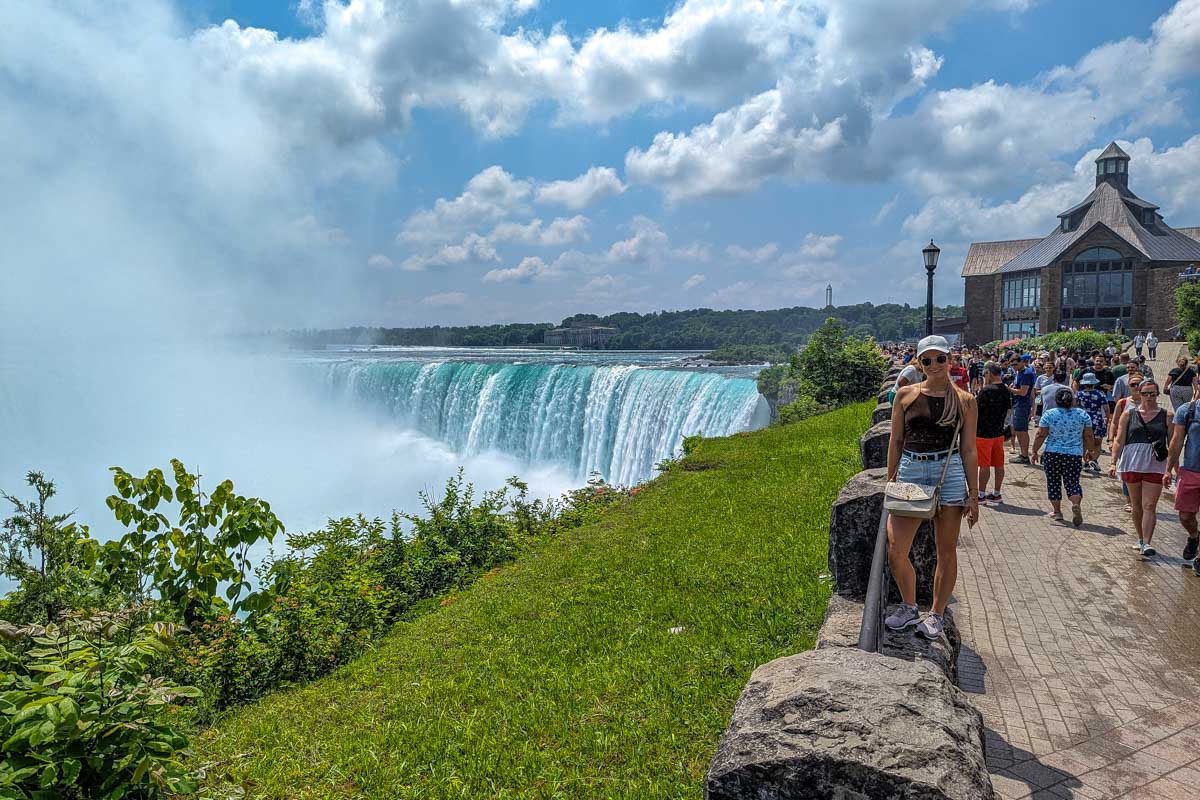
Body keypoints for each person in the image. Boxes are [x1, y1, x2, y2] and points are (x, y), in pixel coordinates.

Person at [884, 335, 979, 640]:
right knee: (896, 549)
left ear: (950, 360)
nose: (935, 365)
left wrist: (973, 494)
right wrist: (891, 478)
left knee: (946, 550)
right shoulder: (905, 396)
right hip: (912, 469)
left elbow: (968, 450)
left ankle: (936, 614)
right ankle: (910, 606)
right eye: (928, 360)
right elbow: (896, 440)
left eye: (941, 359)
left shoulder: (965, 400)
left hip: (948, 471)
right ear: (919, 363)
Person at [1111, 378, 1170, 557]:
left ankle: (1147, 542)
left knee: (1150, 505)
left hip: (1155, 464)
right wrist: (1113, 462)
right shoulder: (1129, 414)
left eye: (1152, 394)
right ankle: (1140, 538)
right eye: (1145, 393)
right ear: (1139, 394)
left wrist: (1172, 467)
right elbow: (1119, 439)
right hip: (1132, 462)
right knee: (1136, 506)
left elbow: (1174, 442)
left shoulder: (1167, 416)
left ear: (1157, 395)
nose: (1149, 397)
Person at [1031, 388, 1099, 526]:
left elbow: (1041, 434)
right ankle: (1075, 503)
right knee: (1072, 482)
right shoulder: (1083, 415)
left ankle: (1057, 512)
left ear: (1056, 400)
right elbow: (1088, 435)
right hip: (1073, 455)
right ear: (1072, 400)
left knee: (1054, 482)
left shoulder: (1049, 414)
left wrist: (1034, 451)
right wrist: (1090, 450)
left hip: (1052, 454)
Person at [1168, 394, 1200, 569]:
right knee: (1186, 517)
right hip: (1191, 471)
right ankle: (1194, 536)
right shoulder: (1188, 410)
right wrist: (1168, 468)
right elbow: (1177, 440)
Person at [976, 362, 1011, 505]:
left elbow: (975, 410)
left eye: (985, 374)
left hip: (983, 433)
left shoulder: (986, 391)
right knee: (999, 464)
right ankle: (997, 493)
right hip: (999, 432)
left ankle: (981, 495)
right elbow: (1009, 411)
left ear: (989, 373)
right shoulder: (1006, 390)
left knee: (984, 465)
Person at [1008, 354, 1037, 463]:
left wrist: (1010, 389)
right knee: (1019, 430)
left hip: (1022, 405)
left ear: (1022, 362)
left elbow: (1023, 392)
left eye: (1016, 364)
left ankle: (1024, 455)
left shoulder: (1026, 373)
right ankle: (1023, 454)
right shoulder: (1019, 373)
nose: (1014, 367)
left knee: (1022, 431)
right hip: (1018, 404)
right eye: (1012, 365)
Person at [1076, 373, 1108, 473]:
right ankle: (1093, 459)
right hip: (1097, 419)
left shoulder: (1079, 394)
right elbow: (1106, 408)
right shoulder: (1100, 394)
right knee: (1097, 442)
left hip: (1084, 419)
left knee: (1084, 442)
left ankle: (1085, 462)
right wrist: (1107, 418)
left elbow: (1076, 407)